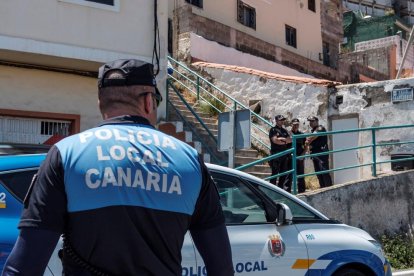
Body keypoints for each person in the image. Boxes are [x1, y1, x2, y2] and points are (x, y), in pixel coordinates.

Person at [2, 59, 234, 276]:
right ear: (148, 101)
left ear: (101, 103)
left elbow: (24, 266)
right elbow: (221, 266)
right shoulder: (189, 159)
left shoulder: (66, 153)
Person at [305, 116, 333, 188]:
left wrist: (308, 140)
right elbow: (308, 141)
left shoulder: (320, 128)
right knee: (318, 173)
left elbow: (312, 137)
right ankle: (322, 188)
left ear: (317, 121)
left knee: (324, 172)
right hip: (315, 154)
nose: (311, 123)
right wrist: (308, 141)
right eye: (310, 121)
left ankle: (329, 188)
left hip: (321, 154)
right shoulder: (313, 130)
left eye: (312, 121)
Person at [268, 115, 292, 191]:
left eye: (283, 120)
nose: (282, 121)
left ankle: (280, 190)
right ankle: (272, 190)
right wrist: (284, 141)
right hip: (276, 155)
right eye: (280, 120)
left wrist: (282, 139)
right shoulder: (273, 130)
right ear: (276, 121)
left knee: (283, 174)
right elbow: (275, 141)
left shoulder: (285, 131)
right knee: (274, 174)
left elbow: (290, 140)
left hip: (284, 155)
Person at [290, 118, 306, 193]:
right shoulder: (288, 133)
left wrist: (302, 155)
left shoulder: (302, 135)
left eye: (297, 124)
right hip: (290, 158)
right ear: (291, 124)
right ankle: (287, 192)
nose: (296, 126)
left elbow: (306, 146)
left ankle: (302, 191)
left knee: (301, 175)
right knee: (289, 175)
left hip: (300, 158)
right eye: (294, 124)